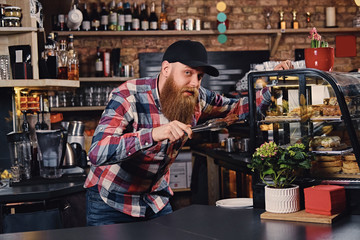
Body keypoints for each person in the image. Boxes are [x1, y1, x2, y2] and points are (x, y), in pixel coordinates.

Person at [84, 40, 293, 226]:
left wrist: (274, 83)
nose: (195, 83)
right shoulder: (128, 95)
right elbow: (97, 152)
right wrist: (153, 134)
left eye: (199, 76)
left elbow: (238, 108)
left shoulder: (198, 97)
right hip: (111, 202)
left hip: (154, 201)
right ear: (166, 69)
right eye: (188, 73)